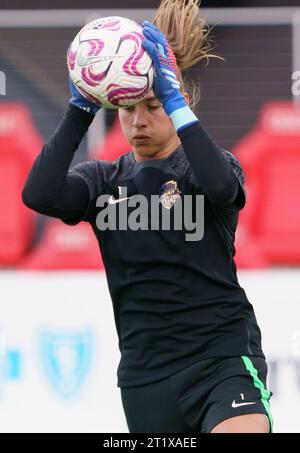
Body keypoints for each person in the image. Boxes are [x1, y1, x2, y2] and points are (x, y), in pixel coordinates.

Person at [22, 0, 273, 433]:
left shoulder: (209, 167)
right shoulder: (103, 180)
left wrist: (176, 101)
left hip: (223, 361)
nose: (138, 121)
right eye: (128, 108)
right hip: (145, 380)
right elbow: (39, 195)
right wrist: (80, 108)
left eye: (153, 106)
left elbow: (219, 188)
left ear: (179, 102)